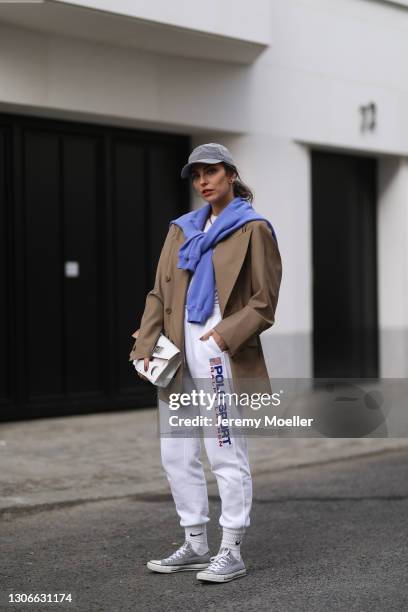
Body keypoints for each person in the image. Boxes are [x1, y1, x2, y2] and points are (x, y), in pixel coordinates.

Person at [130, 143, 282, 583]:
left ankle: (230, 548)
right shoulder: (181, 229)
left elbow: (264, 301)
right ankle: (195, 543)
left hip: (220, 346)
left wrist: (224, 333)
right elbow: (159, 291)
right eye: (196, 175)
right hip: (178, 344)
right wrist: (146, 339)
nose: (203, 181)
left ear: (230, 174)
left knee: (223, 448)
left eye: (211, 171)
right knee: (175, 450)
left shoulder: (253, 229)